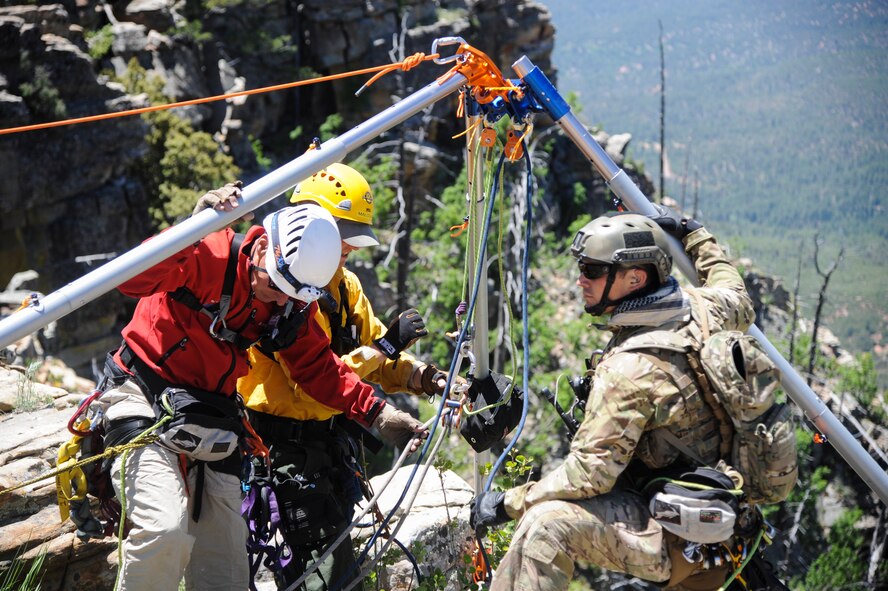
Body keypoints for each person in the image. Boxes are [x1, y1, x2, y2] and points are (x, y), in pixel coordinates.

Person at [95, 183, 426, 591]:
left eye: (290, 296)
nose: (277, 300)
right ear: (261, 248)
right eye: (274, 286)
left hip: (210, 416)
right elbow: (130, 279)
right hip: (143, 395)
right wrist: (188, 233)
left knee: (226, 572)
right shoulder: (207, 254)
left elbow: (318, 368)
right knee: (163, 531)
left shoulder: (289, 301)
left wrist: (380, 414)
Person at [470, 207, 757, 591]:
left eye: (592, 270)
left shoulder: (629, 369)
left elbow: (588, 476)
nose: (579, 281)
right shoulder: (706, 311)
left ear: (635, 278)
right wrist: (694, 233)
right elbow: (734, 290)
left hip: (680, 541)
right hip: (726, 516)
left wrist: (507, 502)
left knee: (544, 526)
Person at [236, 163, 456, 590]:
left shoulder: (344, 286)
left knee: (335, 557)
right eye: (342, 239)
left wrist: (427, 378)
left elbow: (376, 353)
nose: (349, 250)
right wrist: (385, 351)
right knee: (323, 571)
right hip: (283, 445)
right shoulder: (290, 293)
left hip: (331, 443)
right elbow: (315, 381)